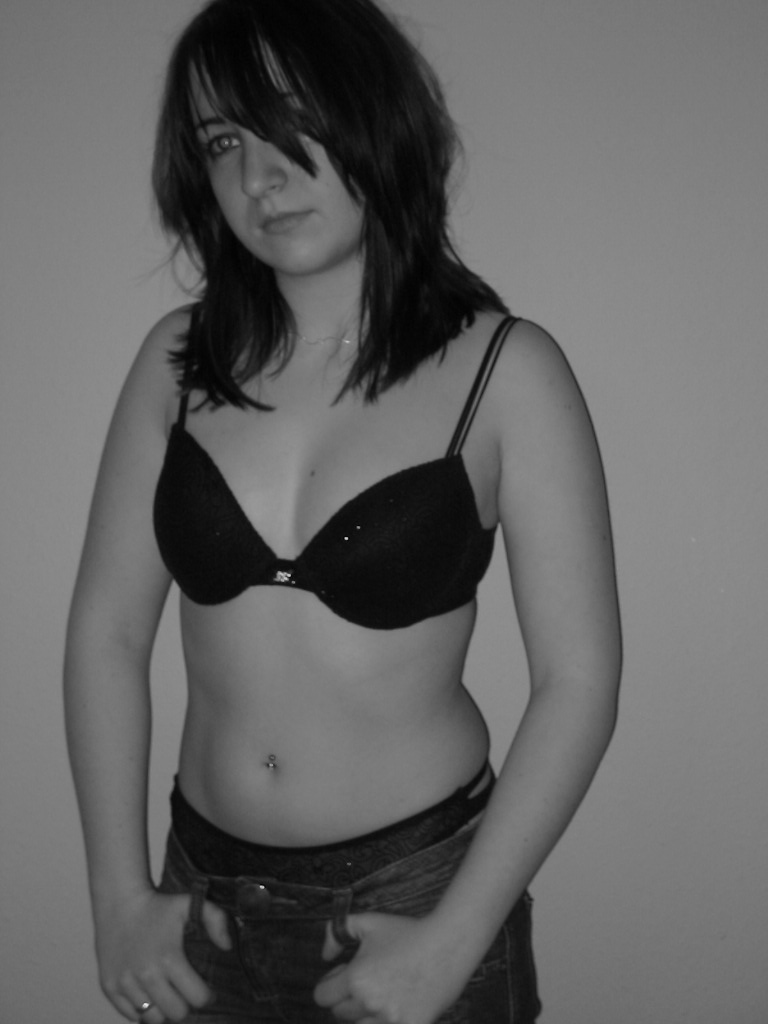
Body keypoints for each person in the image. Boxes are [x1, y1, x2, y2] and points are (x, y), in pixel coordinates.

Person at [63, 0, 621, 1021]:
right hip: (201, 908)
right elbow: (107, 631)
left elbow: (577, 680)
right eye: (222, 142)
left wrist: (455, 940)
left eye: (290, 120)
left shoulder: (506, 372)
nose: (258, 176)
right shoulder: (177, 363)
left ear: (375, 119)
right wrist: (116, 900)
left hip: (417, 901)